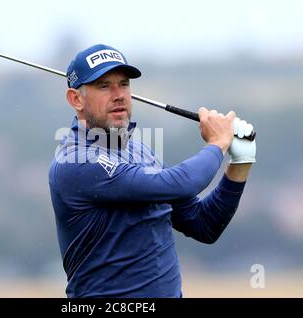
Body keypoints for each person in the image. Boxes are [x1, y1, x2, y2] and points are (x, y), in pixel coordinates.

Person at [48, 44, 256, 298]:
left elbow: (204, 224)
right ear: (76, 99)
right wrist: (217, 143)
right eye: (104, 86)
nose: (118, 94)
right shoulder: (76, 161)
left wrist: (241, 162)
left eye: (123, 84)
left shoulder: (140, 152)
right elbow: (181, 184)